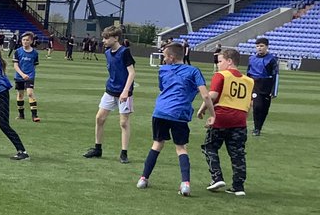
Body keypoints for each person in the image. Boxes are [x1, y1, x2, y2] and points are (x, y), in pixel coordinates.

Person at [137, 41, 214, 196]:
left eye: (165, 56)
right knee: (181, 148)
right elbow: (205, 94)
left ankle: (143, 179)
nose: (163, 59)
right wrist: (213, 114)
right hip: (179, 113)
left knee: (157, 144)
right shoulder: (193, 71)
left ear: (171, 57)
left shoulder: (163, 70)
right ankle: (185, 184)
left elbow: (163, 89)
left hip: (160, 111)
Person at [201, 47, 252, 196]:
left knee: (209, 147)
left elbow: (212, 95)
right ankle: (239, 186)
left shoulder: (221, 75)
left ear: (229, 61)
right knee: (238, 153)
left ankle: (216, 177)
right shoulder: (249, 81)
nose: (218, 64)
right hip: (240, 120)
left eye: (220, 61)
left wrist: (202, 109)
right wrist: (244, 119)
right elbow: (249, 105)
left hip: (222, 116)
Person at [83, 25, 136, 164]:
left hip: (124, 93)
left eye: (107, 38)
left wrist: (125, 91)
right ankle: (97, 148)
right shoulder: (107, 53)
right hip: (110, 90)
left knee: (124, 122)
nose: (104, 41)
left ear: (116, 38)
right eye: (103, 38)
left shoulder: (125, 52)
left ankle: (124, 153)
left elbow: (132, 73)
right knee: (99, 118)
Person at [247, 37, 279, 136]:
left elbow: (276, 75)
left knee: (264, 109)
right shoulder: (251, 58)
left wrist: (274, 91)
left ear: (266, 47)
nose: (259, 48)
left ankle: (258, 128)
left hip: (266, 86)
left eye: (261, 46)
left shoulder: (272, 59)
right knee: (257, 106)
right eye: (257, 46)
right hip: (255, 85)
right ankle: (256, 128)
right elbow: (248, 73)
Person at [11, 31, 42, 122]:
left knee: (29, 93)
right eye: (23, 40)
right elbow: (15, 65)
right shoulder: (18, 51)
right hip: (19, 76)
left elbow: (34, 65)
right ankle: (21, 114)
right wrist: (22, 74)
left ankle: (34, 115)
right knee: (20, 94)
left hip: (30, 76)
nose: (25, 41)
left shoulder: (35, 53)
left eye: (27, 40)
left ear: (31, 41)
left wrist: (30, 75)